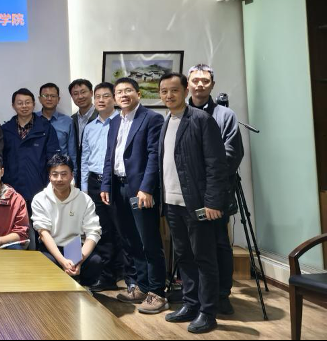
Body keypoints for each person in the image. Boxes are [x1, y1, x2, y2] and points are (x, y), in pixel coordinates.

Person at [159, 73, 228, 334]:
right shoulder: (167, 121)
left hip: (197, 204)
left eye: (174, 90)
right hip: (172, 202)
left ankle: (208, 312)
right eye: (164, 91)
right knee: (184, 256)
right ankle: (190, 303)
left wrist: (212, 202)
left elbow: (216, 164)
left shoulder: (201, 120)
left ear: (185, 90)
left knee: (204, 258)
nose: (168, 95)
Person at [101, 77, 168, 315]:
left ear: (138, 94)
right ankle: (142, 286)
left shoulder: (152, 118)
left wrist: (147, 188)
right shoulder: (114, 122)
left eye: (128, 90)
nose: (123, 95)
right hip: (118, 187)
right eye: (119, 92)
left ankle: (157, 292)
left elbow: (154, 156)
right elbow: (110, 156)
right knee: (130, 241)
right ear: (114, 98)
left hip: (140, 189)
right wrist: (106, 185)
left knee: (149, 241)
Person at [187, 63, 245, 315]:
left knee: (220, 243)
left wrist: (207, 179)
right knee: (190, 244)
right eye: (195, 80)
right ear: (187, 84)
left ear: (212, 85)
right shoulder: (180, 113)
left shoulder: (225, 115)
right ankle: (195, 295)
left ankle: (221, 294)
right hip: (187, 192)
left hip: (217, 190)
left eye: (205, 81)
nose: (200, 84)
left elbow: (232, 154)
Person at [31, 154, 103, 286]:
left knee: (95, 261)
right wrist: (62, 261)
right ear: (49, 176)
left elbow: (93, 232)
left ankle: (84, 287)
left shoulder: (84, 199)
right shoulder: (40, 199)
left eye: (64, 174)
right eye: (55, 174)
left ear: (72, 175)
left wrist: (79, 260)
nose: (59, 179)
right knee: (44, 261)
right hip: (52, 246)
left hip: (75, 247)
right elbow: (43, 233)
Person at [79, 82, 121, 291]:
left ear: (114, 98)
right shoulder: (90, 127)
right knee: (101, 230)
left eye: (106, 96)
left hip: (116, 181)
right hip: (95, 183)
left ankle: (126, 276)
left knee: (121, 229)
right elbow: (85, 159)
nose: (101, 100)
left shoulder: (122, 122)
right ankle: (106, 276)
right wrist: (84, 189)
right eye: (98, 97)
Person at [1, 89, 60, 207]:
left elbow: (53, 160)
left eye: (27, 102)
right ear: (13, 106)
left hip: (39, 189)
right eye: (20, 103)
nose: (24, 106)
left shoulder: (46, 129)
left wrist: (50, 186)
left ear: (33, 104)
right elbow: (1, 160)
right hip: (11, 189)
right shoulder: (5, 130)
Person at [39, 83, 78, 170]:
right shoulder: (33, 119)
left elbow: (72, 153)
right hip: (37, 170)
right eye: (45, 95)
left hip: (60, 171)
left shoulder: (68, 121)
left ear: (58, 99)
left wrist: (73, 174)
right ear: (40, 99)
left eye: (53, 96)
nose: (49, 99)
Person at [69, 79, 97, 182]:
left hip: (97, 173)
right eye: (75, 94)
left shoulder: (102, 116)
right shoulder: (71, 120)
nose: (80, 96)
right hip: (78, 173)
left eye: (83, 92)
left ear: (91, 93)